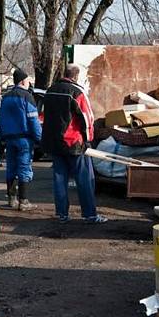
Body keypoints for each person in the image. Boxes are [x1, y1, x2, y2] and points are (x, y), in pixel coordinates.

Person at [41, 63, 108, 224]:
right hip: (73, 142)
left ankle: (62, 214)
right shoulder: (77, 92)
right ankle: (89, 214)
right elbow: (87, 118)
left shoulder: (50, 91)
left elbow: (44, 116)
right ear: (76, 76)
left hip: (54, 142)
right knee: (85, 179)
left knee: (59, 179)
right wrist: (88, 139)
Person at [0, 68, 42, 211]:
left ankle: (12, 199)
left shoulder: (6, 97)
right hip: (24, 139)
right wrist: (39, 138)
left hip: (9, 139)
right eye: (28, 80)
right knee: (24, 168)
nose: (29, 83)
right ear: (23, 81)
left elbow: (1, 120)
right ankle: (23, 201)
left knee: (11, 167)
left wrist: (1, 138)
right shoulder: (27, 97)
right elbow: (33, 120)